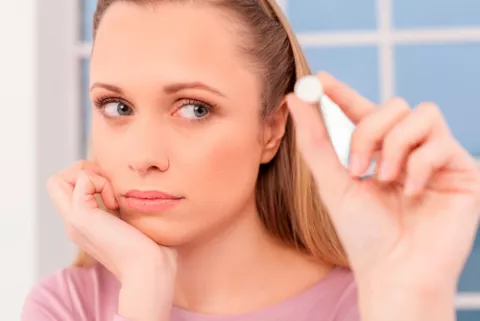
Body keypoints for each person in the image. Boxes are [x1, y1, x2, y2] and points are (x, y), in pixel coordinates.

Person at [22, 0, 480, 320]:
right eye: (117, 107)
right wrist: (144, 291)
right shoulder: (68, 307)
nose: (143, 157)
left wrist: (414, 300)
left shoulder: (372, 305)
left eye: (194, 109)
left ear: (273, 127)